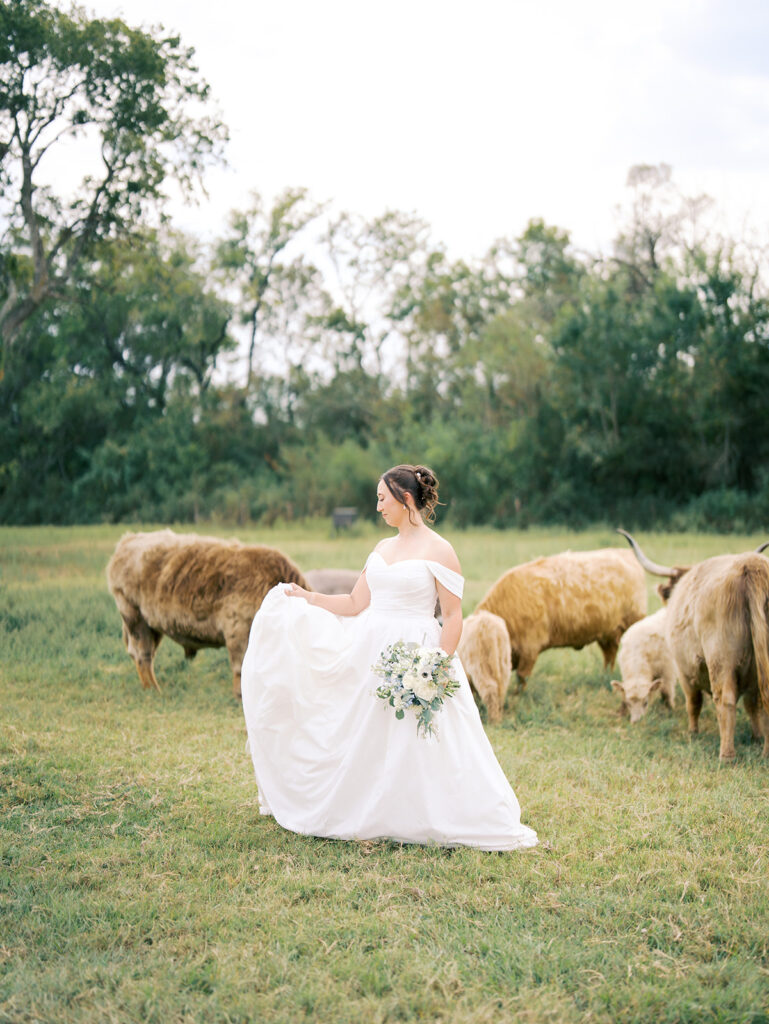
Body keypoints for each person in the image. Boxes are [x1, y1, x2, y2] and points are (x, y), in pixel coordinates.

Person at [240, 464, 538, 851]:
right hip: (369, 650)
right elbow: (354, 602)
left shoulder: (441, 550)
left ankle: (423, 811)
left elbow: (451, 616)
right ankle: (364, 807)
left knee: (417, 738)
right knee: (363, 731)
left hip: (417, 651)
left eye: (382, 498)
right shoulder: (381, 549)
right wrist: (307, 597)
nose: (377, 506)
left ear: (405, 499)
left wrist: (435, 664)